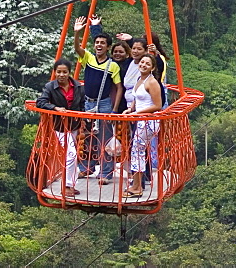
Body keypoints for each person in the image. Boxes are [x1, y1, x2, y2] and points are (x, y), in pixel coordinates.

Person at [73, 15, 123, 185]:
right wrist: (77, 34)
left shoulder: (113, 65)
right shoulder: (89, 58)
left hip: (103, 104)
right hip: (89, 102)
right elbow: (78, 49)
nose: (99, 45)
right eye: (97, 43)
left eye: (103, 43)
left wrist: (114, 109)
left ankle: (106, 172)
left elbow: (118, 88)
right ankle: (87, 167)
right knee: (88, 136)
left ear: (108, 47)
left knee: (106, 138)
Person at [36, 59, 84, 198]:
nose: (61, 75)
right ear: (54, 72)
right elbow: (41, 102)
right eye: (59, 72)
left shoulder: (78, 86)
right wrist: (55, 108)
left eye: (64, 72)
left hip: (74, 124)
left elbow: (82, 103)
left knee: (73, 153)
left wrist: (82, 118)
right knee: (71, 154)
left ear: (69, 73)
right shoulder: (50, 87)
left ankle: (71, 184)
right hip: (60, 126)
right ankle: (67, 185)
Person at [124, 53, 162, 197]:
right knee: (137, 152)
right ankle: (136, 185)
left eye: (147, 63)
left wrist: (138, 113)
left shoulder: (152, 82)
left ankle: (137, 187)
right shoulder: (140, 79)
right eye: (142, 62)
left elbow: (157, 105)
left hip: (148, 121)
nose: (143, 65)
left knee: (137, 152)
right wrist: (131, 109)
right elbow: (137, 97)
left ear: (152, 67)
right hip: (141, 119)